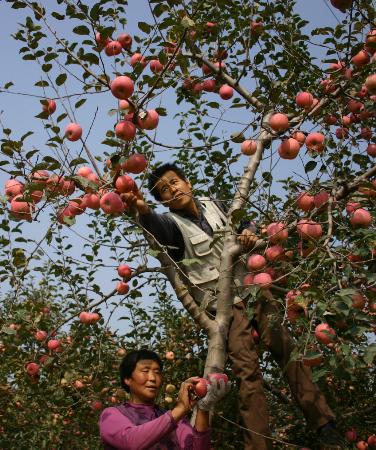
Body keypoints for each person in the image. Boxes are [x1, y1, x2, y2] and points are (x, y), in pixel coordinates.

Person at [122, 163, 347, 450]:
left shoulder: (215, 204)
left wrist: (250, 233)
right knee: (247, 372)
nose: (172, 190)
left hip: (254, 290)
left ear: (187, 182)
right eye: (163, 190)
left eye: (174, 182)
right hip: (223, 307)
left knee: (289, 350)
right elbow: (156, 227)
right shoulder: (171, 225)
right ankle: (258, 446)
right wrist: (142, 208)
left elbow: (246, 224)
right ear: (162, 201)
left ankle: (325, 424)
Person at [99, 349, 229, 450]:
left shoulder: (177, 421)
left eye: (157, 372)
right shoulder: (111, 414)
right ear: (127, 379)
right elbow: (131, 443)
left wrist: (203, 409)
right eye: (145, 371)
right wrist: (180, 409)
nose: (152, 378)